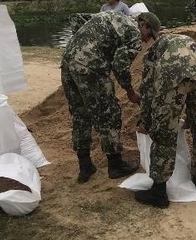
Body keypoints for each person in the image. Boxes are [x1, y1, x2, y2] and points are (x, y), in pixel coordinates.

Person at [60, 11, 157, 183]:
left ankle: (85, 165)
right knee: (108, 113)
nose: (145, 41)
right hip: (90, 66)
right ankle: (115, 164)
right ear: (144, 25)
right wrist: (130, 91)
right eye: (149, 36)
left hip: (68, 62)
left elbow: (77, 19)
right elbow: (120, 64)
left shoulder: (115, 16)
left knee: (80, 114)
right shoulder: (134, 32)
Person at [134, 32, 196, 208]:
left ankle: (158, 192)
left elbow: (147, 90)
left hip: (174, 70)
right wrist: (192, 117)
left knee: (164, 131)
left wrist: (146, 122)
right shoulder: (185, 41)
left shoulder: (154, 53)